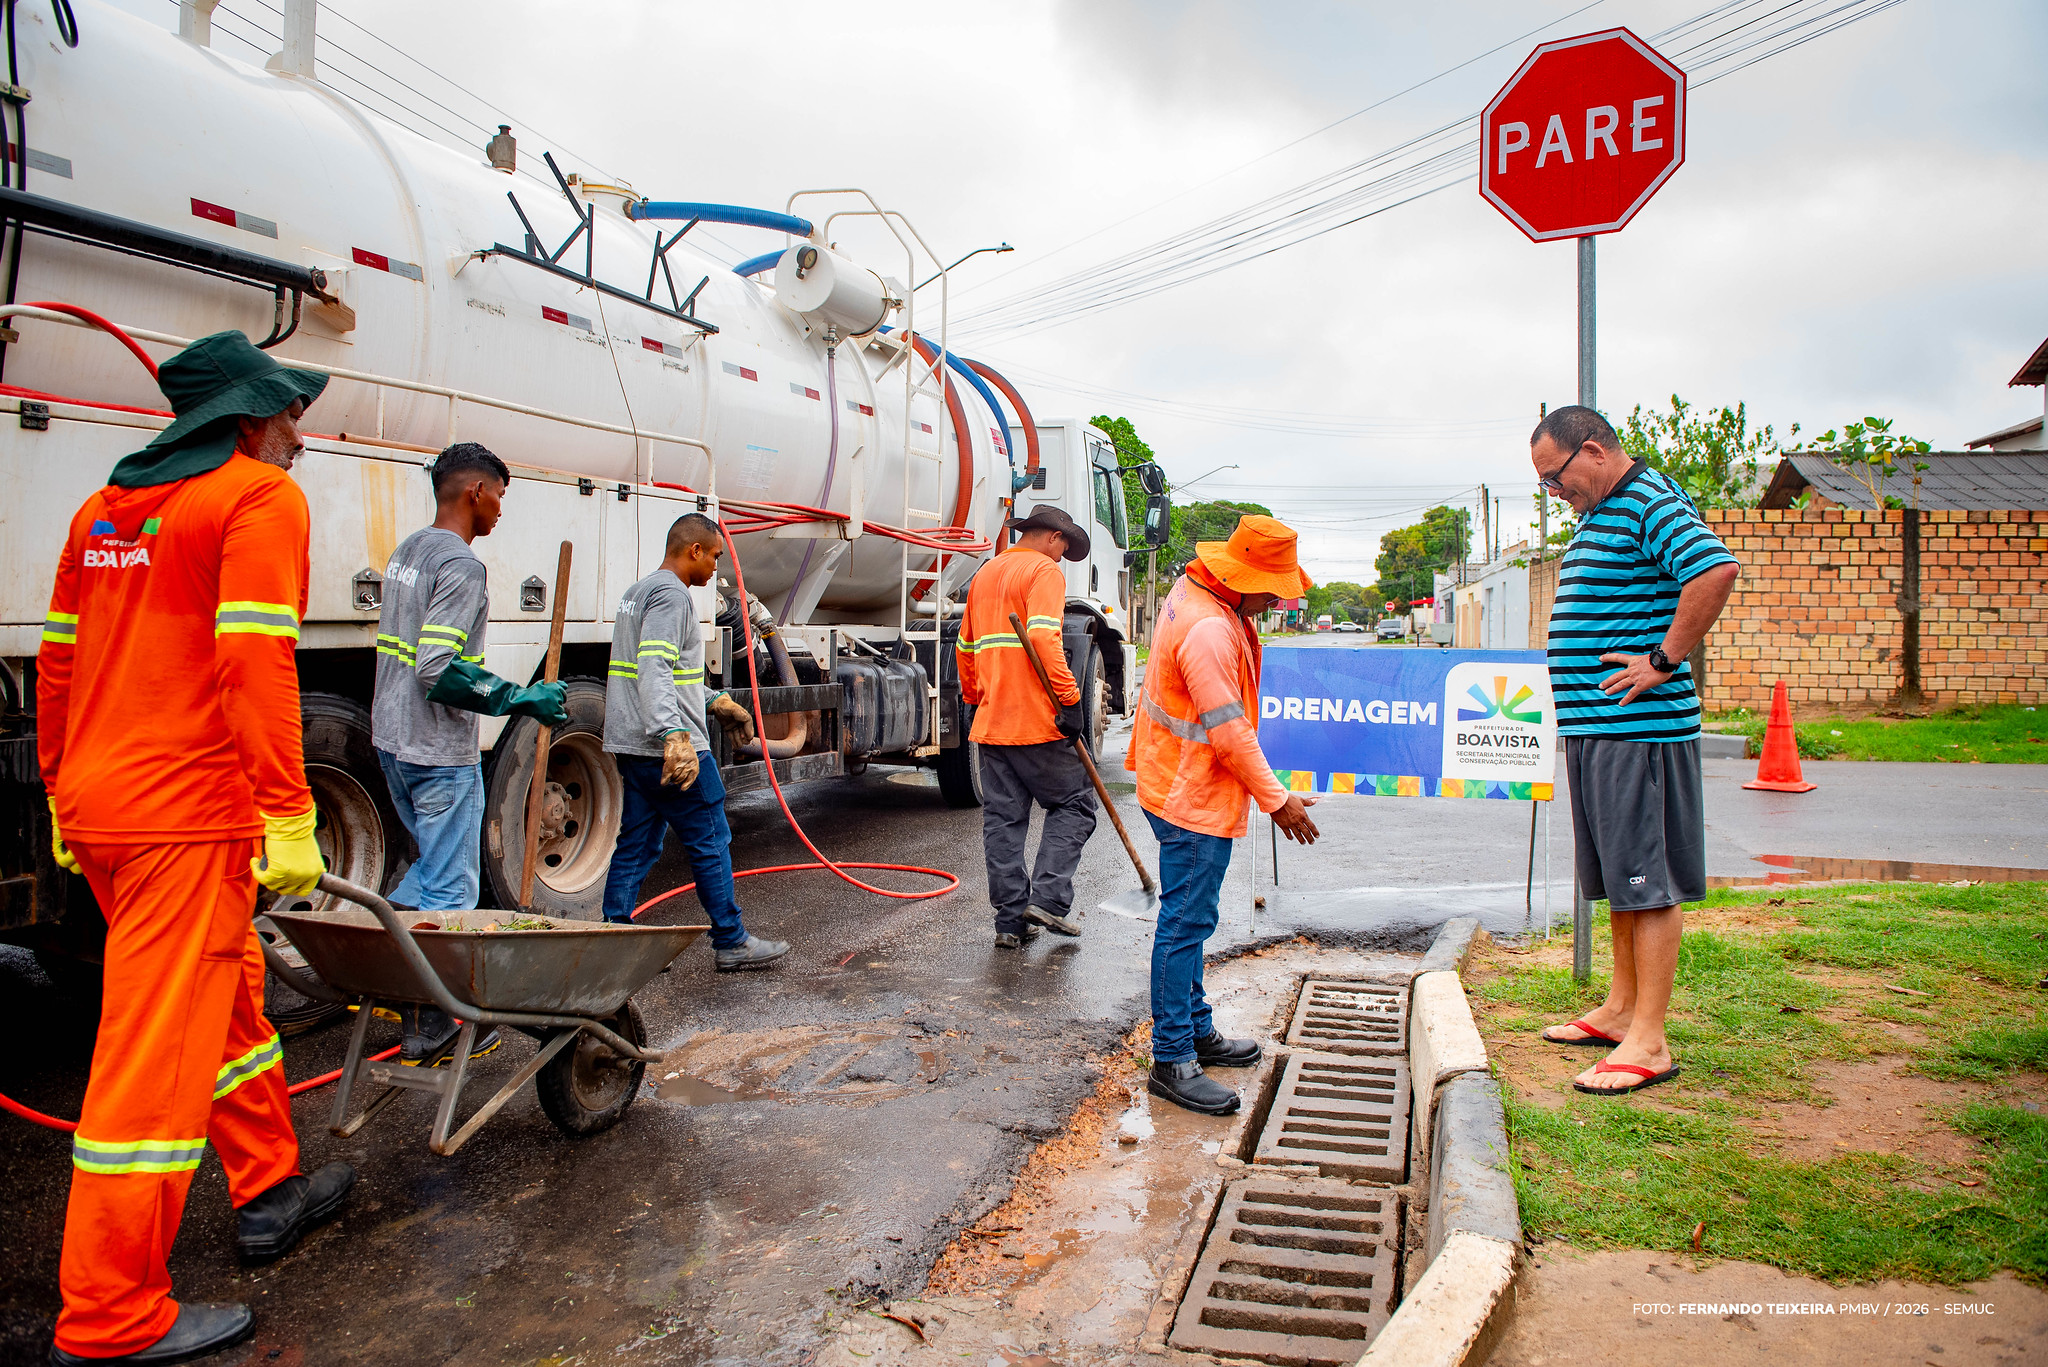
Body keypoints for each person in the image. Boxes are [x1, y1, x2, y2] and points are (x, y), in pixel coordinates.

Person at [37, 331, 356, 1364]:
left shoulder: (103, 509)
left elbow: (58, 663)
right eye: (290, 417)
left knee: (225, 1002)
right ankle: (109, 1313)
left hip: (104, 809)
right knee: (151, 1057)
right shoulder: (257, 497)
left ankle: (270, 1187)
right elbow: (253, 660)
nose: (299, 436)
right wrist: (287, 808)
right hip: (185, 812)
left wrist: (56, 787)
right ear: (252, 420)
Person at [1529, 405, 1740, 1096]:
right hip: (1598, 729)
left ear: (1592, 450)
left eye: (1556, 478)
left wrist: (1662, 657)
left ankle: (1649, 1040)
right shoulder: (1602, 514)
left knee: (1648, 881)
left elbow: (1713, 569)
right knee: (1621, 876)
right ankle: (1620, 1010)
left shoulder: (1647, 498)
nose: (1556, 494)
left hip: (1638, 731)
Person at [371, 442, 568, 1061]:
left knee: (425, 872)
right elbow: (436, 668)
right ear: (475, 492)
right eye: (501, 496)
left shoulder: (409, 552)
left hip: (394, 743)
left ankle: (398, 985)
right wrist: (523, 698)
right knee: (451, 893)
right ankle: (437, 1025)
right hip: (436, 752)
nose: (501, 510)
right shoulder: (461, 565)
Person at [1127, 515, 1320, 1115]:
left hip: (1176, 780)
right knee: (1185, 922)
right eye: (1272, 589)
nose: (1276, 600)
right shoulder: (1211, 630)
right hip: (1191, 795)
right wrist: (1278, 800)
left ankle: (1197, 1031)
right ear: (1243, 577)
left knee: (1191, 918)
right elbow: (1230, 733)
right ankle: (1172, 1058)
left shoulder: (1197, 593)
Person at [598, 513, 785, 970]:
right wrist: (674, 734)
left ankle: (614, 934)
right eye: (715, 557)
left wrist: (714, 700)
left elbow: (660, 673)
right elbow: (656, 668)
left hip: (632, 745)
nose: (715, 570)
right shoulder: (672, 597)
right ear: (694, 551)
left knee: (638, 843)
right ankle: (731, 940)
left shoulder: (636, 592)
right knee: (711, 839)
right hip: (668, 749)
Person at [956, 505, 1100, 949]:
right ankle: (1050, 901)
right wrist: (1071, 700)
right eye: (1063, 549)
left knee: (1003, 820)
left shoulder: (986, 574)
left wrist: (978, 699)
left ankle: (1009, 922)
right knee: (1076, 803)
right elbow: (1042, 637)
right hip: (1037, 720)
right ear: (1053, 538)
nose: (1061, 559)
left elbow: (964, 647)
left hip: (993, 722)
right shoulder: (1043, 572)